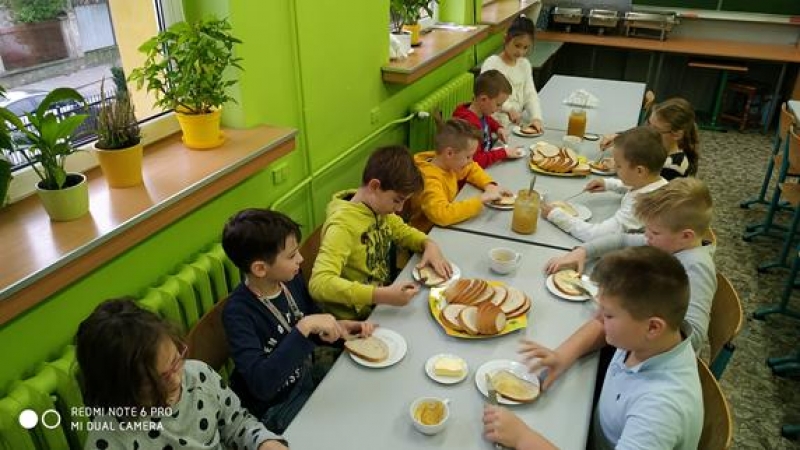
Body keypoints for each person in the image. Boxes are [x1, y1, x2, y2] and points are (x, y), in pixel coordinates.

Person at [483, 247, 703, 449]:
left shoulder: (660, 410)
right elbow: (600, 327)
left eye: (609, 315)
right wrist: (562, 356)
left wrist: (523, 438)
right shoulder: (651, 339)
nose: (599, 317)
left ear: (653, 327)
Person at [221, 209, 375, 433]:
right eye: (292, 255)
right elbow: (262, 385)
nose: (301, 259)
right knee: (345, 428)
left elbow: (311, 321)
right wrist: (305, 326)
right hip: (275, 406)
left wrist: (339, 329)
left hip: (305, 375)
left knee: (364, 393)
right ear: (260, 268)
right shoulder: (238, 314)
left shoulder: (290, 278)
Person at [76, 298, 288, 450]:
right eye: (158, 380)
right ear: (120, 389)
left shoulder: (198, 375)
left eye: (176, 361)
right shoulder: (111, 438)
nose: (177, 380)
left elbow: (238, 424)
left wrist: (264, 442)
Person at [545, 177, 716, 352]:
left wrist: (632, 316)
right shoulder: (668, 242)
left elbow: (694, 338)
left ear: (686, 236)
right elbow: (621, 240)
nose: (646, 236)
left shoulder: (696, 268)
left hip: (646, 350)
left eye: (654, 232)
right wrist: (583, 251)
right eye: (646, 229)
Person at [309, 145, 451, 320]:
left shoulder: (377, 209)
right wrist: (381, 295)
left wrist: (429, 244)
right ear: (375, 186)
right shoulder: (342, 226)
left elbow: (404, 232)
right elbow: (319, 283)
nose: (399, 209)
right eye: (397, 200)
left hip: (380, 301)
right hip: (356, 319)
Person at [542, 126, 668, 241]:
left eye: (618, 165)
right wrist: (608, 184)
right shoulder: (658, 183)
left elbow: (595, 236)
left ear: (640, 171)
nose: (615, 168)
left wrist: (555, 215)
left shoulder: (641, 205)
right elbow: (637, 185)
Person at [408, 118, 513, 232]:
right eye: (468, 156)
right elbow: (443, 215)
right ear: (449, 153)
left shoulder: (448, 163)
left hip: (446, 228)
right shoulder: (429, 180)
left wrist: (489, 185)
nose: (471, 161)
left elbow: (471, 168)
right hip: (427, 235)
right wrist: (481, 199)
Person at [600, 97, 699, 180]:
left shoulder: (672, 168)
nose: (647, 131)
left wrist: (620, 167)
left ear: (676, 135)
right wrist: (619, 137)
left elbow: (643, 188)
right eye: (649, 124)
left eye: (655, 129)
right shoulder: (660, 145)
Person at [480, 14, 544, 132]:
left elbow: (530, 94)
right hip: (494, 125)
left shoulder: (524, 64)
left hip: (514, 124)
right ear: (506, 39)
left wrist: (536, 117)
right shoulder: (492, 63)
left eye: (525, 47)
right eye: (517, 45)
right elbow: (486, 94)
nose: (520, 52)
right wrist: (509, 108)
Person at [453, 69, 526, 169]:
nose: (500, 109)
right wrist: (503, 153)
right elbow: (475, 161)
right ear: (483, 99)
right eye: (498, 105)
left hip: (487, 161)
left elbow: (487, 120)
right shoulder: (469, 126)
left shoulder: (479, 113)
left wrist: (498, 128)